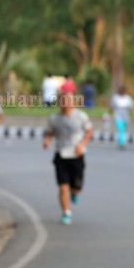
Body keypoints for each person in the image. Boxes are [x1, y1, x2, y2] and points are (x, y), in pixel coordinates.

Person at [43, 87, 93, 225]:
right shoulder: (54, 118)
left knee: (76, 186)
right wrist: (47, 140)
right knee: (63, 187)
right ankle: (66, 212)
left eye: (69, 100)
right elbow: (49, 132)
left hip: (77, 155)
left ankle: (75, 192)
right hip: (61, 155)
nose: (66, 103)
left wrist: (82, 144)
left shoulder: (81, 116)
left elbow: (89, 131)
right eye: (63, 100)